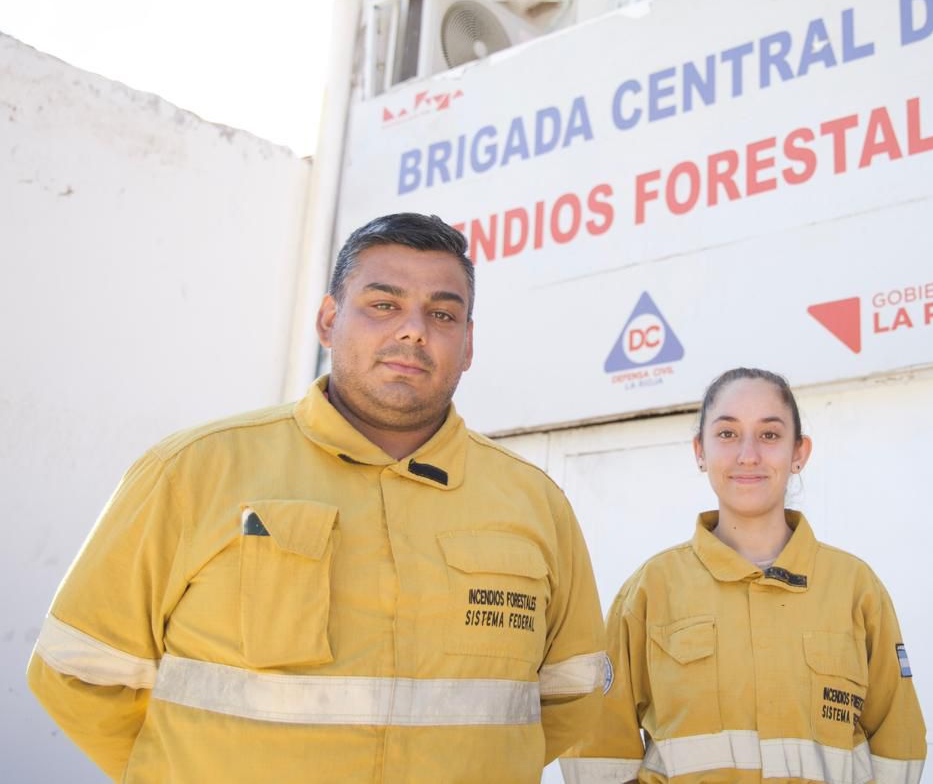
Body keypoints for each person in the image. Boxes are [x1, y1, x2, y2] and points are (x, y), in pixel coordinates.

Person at [28, 213, 607, 782]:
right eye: (384, 305)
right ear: (329, 321)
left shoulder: (535, 502)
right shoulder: (193, 470)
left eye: (442, 313)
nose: (413, 330)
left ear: (469, 342)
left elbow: (571, 692)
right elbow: (77, 671)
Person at [560, 367, 926, 784]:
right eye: (728, 434)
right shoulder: (650, 591)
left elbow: (899, 746)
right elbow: (599, 751)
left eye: (769, 435)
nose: (748, 454)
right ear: (700, 451)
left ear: (798, 453)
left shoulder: (855, 589)